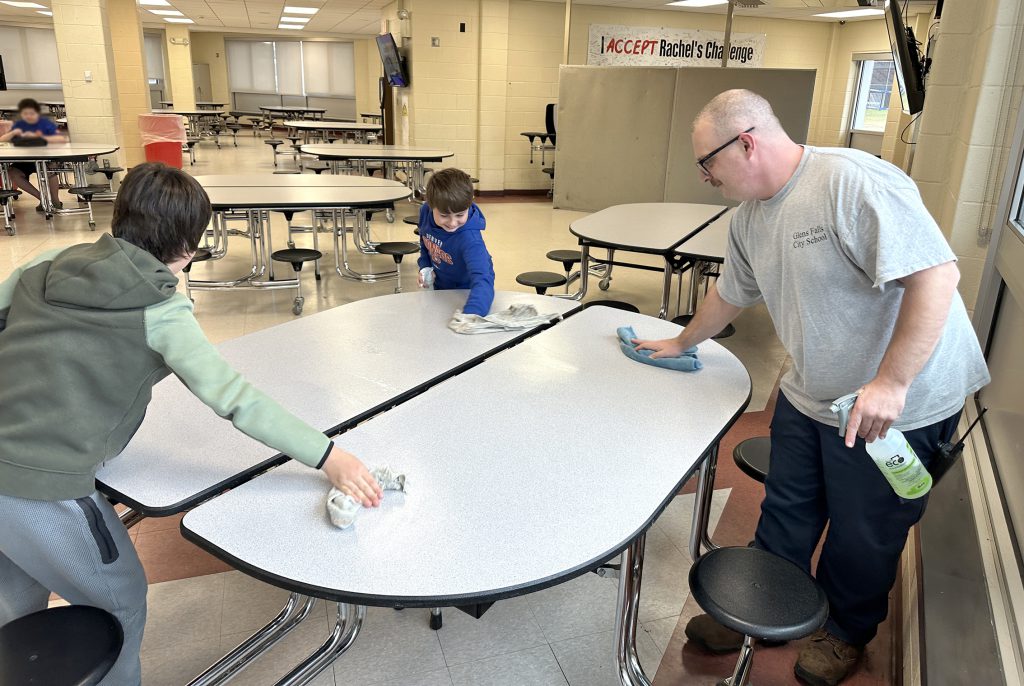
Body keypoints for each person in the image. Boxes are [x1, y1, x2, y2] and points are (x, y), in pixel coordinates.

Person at [633, 90, 989, 686]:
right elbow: (731, 293)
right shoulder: (750, 215)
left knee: (863, 531)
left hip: (894, 405)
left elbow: (937, 277)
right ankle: (763, 608)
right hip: (813, 392)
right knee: (788, 507)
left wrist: (891, 384)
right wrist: (682, 341)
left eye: (708, 164)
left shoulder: (851, 183)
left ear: (745, 142)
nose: (704, 177)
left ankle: (846, 633)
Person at [0, 162, 382, 686]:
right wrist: (330, 454)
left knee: (15, 604)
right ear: (187, 249)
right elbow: (236, 399)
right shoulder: (161, 309)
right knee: (121, 599)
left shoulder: (50, 261)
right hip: (43, 487)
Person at [417, 167, 495, 316]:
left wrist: (472, 314)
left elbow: (483, 279)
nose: (452, 223)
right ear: (431, 205)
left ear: (469, 204)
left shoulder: (470, 241)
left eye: (460, 215)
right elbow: (425, 241)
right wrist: (425, 265)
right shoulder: (425, 212)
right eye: (444, 215)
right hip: (441, 289)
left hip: (467, 293)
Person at [0, 98, 67, 212]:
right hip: (26, 159)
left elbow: (60, 139)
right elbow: (2, 140)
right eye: (25, 113)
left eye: (31, 113)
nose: (28, 116)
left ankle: (55, 201)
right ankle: (42, 198)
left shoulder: (45, 124)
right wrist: (13, 133)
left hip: (45, 158)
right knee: (12, 172)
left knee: (50, 170)